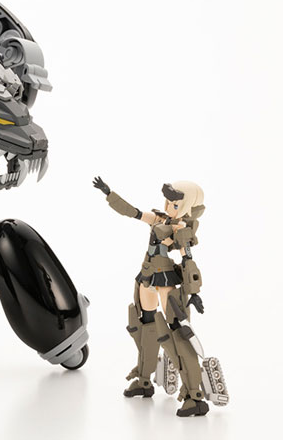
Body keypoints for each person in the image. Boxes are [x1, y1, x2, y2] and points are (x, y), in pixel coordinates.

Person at [93, 177, 214, 417]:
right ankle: (144, 380)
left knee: (176, 333)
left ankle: (194, 396)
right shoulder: (159, 219)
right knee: (143, 324)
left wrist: (194, 292)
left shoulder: (181, 229)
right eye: (168, 201)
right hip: (147, 275)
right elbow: (133, 212)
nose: (169, 207)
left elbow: (187, 259)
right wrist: (109, 194)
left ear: (187, 207)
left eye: (175, 204)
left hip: (165, 278)